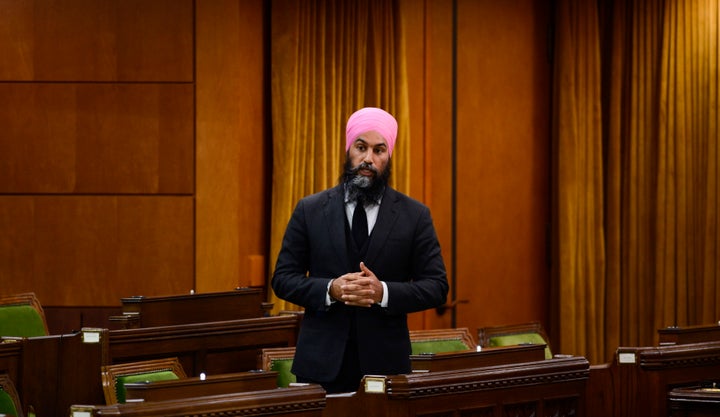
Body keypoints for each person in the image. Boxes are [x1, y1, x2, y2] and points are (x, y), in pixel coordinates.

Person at [271, 107, 449, 394]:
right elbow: (282, 279)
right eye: (361, 147)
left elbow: (437, 286)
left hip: (385, 367)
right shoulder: (310, 209)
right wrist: (331, 289)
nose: (368, 158)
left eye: (379, 150)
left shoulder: (414, 216)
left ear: (389, 155)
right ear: (348, 149)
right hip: (320, 366)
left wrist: (383, 293)